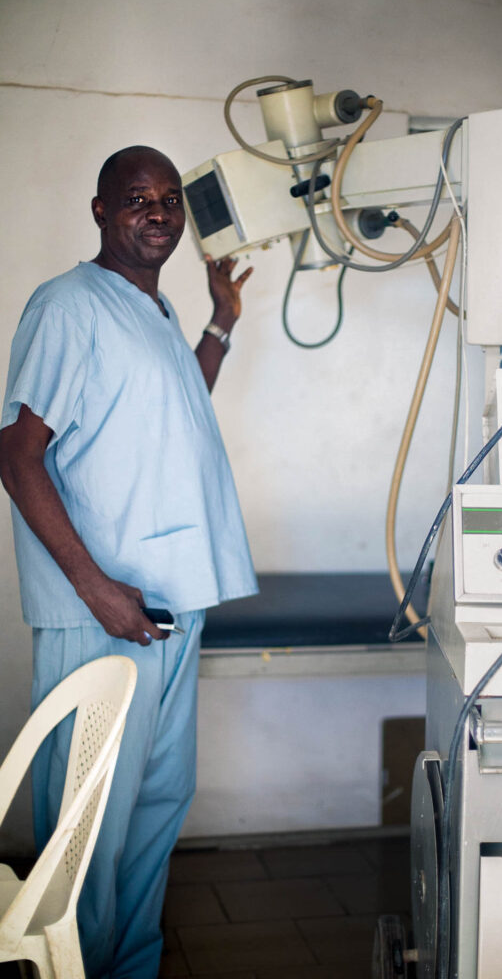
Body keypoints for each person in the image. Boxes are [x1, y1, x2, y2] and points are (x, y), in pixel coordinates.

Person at [0, 145, 257, 978]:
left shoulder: (154, 311)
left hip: (173, 604)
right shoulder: (69, 306)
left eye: (169, 199)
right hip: (104, 613)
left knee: (153, 804)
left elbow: (175, 404)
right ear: (102, 212)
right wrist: (95, 586)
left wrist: (220, 322)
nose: (158, 212)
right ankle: (65, 967)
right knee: (88, 818)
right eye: (137, 199)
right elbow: (16, 453)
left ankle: (125, 967)